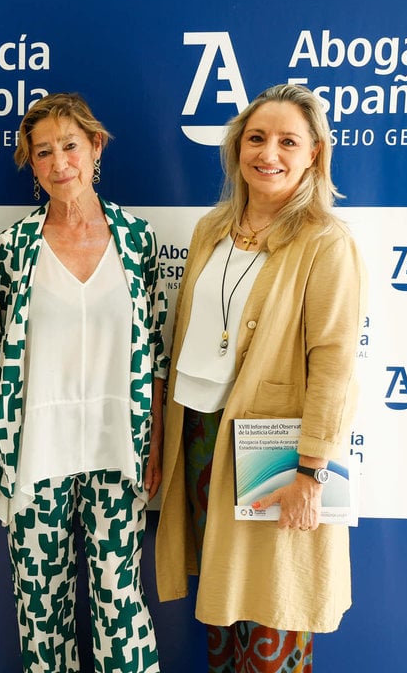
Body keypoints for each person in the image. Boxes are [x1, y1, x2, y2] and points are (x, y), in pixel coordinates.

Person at [154, 83, 365, 672]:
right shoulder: (210, 230)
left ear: (314, 154)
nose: (267, 152)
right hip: (202, 440)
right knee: (224, 605)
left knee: (276, 606)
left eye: (287, 141)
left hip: (275, 450)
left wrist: (310, 469)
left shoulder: (326, 242)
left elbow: (334, 363)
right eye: (255, 137)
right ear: (236, 148)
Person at [0, 92, 167, 673]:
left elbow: (157, 353)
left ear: (95, 146)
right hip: (37, 452)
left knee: (120, 603)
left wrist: (156, 438)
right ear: (31, 165)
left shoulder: (139, 240)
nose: (59, 162)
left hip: (119, 449)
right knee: (41, 609)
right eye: (43, 152)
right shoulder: (15, 246)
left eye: (70, 145)